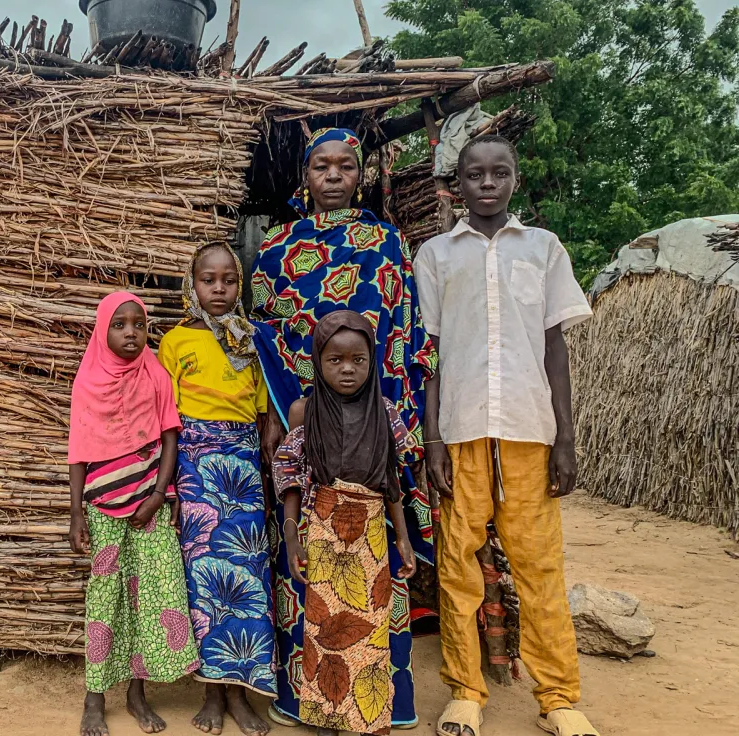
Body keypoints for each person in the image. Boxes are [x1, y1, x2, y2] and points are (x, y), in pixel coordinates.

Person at [249, 127, 436, 729]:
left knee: (375, 567)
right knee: (303, 557)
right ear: (305, 176)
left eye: (346, 166)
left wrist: (397, 414)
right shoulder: (276, 248)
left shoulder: (386, 243)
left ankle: (382, 701)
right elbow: (264, 336)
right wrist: (280, 411)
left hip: (372, 421)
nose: (333, 175)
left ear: (361, 175)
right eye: (321, 166)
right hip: (304, 421)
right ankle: (300, 697)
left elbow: (404, 330)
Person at [413, 135, 599, 736]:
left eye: (500, 173)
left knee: (540, 566)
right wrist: (433, 443)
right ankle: (466, 691)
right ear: (456, 185)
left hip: (528, 428)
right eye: (475, 174)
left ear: (516, 179)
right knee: (457, 568)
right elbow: (429, 355)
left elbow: (554, 347)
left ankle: (559, 699)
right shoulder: (435, 255)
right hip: (460, 430)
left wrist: (565, 438)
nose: (487, 183)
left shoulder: (543, 248)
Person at [272, 310, 418, 735]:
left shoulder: (385, 412)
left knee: (370, 627)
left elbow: (391, 479)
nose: (348, 369)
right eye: (335, 360)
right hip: (322, 528)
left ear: (372, 361)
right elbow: (291, 474)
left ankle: (364, 719)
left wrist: (403, 538)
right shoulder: (304, 411)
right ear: (318, 361)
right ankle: (325, 716)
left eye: (358, 359)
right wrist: (291, 535)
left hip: (370, 531)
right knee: (323, 627)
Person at [69, 291, 201, 736]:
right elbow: (78, 451)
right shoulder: (88, 382)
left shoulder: (155, 375)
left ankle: (137, 694)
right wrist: (76, 513)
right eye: (120, 324)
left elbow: (169, 436)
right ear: (102, 330)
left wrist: (159, 494)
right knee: (105, 598)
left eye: (139, 325)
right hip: (103, 509)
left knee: (153, 597)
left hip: (151, 507)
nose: (131, 333)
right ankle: (94, 698)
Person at [158, 244, 276, 736]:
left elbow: (264, 406)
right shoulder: (175, 342)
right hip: (196, 468)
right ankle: (211, 691)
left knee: (248, 576)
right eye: (209, 280)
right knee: (204, 582)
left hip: (244, 467)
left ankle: (241, 694)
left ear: (240, 285)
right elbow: (165, 416)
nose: (220, 289)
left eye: (229, 280)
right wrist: (171, 486)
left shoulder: (250, 339)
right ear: (193, 284)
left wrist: (267, 446)